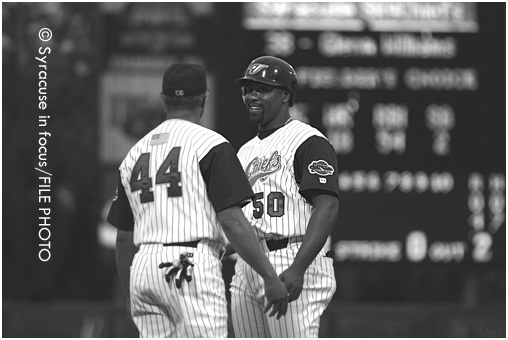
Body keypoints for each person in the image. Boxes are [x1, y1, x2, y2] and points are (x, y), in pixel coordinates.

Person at [107, 62, 288, 338]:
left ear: (163, 100)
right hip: (189, 265)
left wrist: (130, 295)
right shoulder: (210, 145)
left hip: (143, 268)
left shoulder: (133, 154)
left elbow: (122, 238)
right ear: (204, 98)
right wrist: (270, 277)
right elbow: (233, 222)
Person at [230, 56, 340, 337]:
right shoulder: (244, 151)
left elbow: (326, 207)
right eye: (248, 88)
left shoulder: (308, 141)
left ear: (285, 96)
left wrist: (298, 267)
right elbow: (240, 221)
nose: (252, 95)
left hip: (291, 255)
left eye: (263, 89)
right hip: (248, 263)